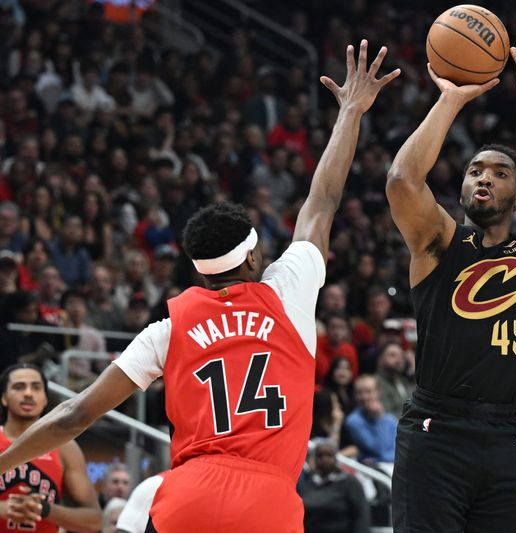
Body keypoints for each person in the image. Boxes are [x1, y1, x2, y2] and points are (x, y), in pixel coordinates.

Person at [0, 41, 400, 533]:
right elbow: (323, 199)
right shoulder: (290, 288)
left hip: (189, 497)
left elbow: (73, 414)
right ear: (253, 256)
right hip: (268, 502)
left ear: (201, 271)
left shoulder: (168, 330)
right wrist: (351, 112)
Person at [387, 16, 516, 532]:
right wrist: (450, 100)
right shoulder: (439, 241)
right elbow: (402, 180)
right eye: (476, 170)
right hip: (437, 431)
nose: (484, 178)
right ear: (461, 187)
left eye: (499, 174)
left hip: (508, 437)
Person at [0, 364, 102, 532]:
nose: (28, 393)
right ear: (4, 398)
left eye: (36, 387)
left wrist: (45, 509)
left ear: (45, 399)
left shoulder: (65, 448)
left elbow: (94, 521)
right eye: (19, 387)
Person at [299, 439, 370, 533]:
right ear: (314, 459)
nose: (324, 459)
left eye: (329, 455)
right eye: (320, 456)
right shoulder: (306, 483)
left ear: (335, 458)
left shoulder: (350, 482)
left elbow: (361, 515)